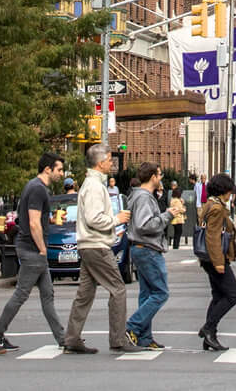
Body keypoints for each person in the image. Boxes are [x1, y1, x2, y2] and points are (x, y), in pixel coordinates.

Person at [0, 153, 65, 352]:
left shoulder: (34, 187)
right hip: (32, 250)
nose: (62, 174)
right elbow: (32, 222)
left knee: (47, 295)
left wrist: (48, 221)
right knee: (22, 294)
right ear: (48, 169)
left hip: (31, 249)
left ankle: (63, 338)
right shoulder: (38, 189)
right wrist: (42, 249)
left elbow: (32, 219)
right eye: (59, 169)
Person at [63, 144, 131, 354]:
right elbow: (94, 218)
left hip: (89, 244)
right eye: (110, 159)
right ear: (101, 163)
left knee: (85, 293)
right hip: (96, 244)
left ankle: (72, 338)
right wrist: (116, 219)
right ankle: (118, 339)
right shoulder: (94, 186)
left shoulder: (91, 184)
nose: (112, 163)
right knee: (118, 289)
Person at [123, 163, 169, 351]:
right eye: (159, 175)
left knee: (147, 294)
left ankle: (144, 337)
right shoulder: (144, 198)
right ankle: (133, 326)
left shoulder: (137, 195)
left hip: (140, 248)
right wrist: (167, 216)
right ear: (152, 177)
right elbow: (144, 225)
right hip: (148, 248)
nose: (161, 179)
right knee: (161, 292)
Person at [195, 172, 236, 351]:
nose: (231, 194)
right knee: (233, 295)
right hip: (216, 258)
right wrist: (219, 262)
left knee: (218, 296)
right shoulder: (216, 208)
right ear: (224, 191)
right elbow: (213, 237)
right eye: (229, 190)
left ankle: (210, 336)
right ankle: (208, 328)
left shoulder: (210, 205)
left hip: (208, 259)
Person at [166, 177, 189, 251]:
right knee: (178, 233)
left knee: (177, 233)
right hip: (178, 219)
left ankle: (175, 245)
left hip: (175, 219)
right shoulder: (176, 201)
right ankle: (176, 246)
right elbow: (181, 209)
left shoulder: (173, 200)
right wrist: (184, 208)